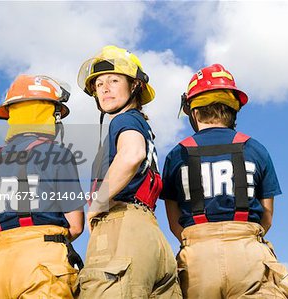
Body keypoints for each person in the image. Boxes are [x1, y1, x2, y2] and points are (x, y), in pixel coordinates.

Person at [160, 64, 288, 298]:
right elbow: (267, 216)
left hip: (197, 260)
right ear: (233, 110)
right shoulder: (255, 149)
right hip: (248, 253)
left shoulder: (176, 154)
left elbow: (173, 222)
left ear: (193, 111)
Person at [76, 45, 182, 298]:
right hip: (152, 237)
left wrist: (96, 205)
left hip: (122, 228)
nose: (104, 88)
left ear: (135, 86)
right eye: (99, 84)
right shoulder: (143, 125)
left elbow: (133, 154)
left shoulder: (124, 120)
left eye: (114, 80)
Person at [0, 74, 85, 298]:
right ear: (50, 114)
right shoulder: (58, 154)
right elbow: (76, 225)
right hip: (43, 263)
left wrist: (11, 238)